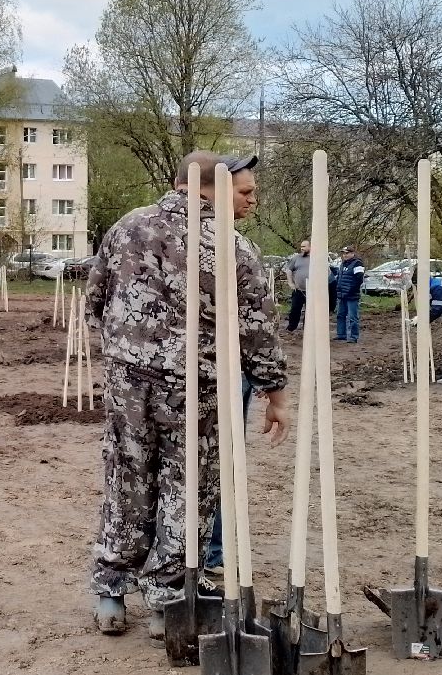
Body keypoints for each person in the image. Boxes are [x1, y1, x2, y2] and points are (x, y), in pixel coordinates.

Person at [85, 151, 289, 639]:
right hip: (195, 388)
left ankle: (111, 593)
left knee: (128, 478)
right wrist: (274, 392)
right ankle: (166, 601)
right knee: (189, 489)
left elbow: (95, 299)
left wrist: (127, 350)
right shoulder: (233, 246)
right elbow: (257, 328)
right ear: (210, 188)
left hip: (127, 380)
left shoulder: (125, 227)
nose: (252, 202)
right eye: (245, 192)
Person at [334, 245, 364, 343]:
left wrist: (351, 290)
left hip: (352, 295)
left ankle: (353, 336)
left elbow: (359, 279)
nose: (345, 255)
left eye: (347, 253)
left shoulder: (358, 264)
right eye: (343, 253)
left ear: (352, 253)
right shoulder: (343, 264)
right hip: (342, 294)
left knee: (352, 317)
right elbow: (339, 278)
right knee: (340, 315)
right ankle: (341, 334)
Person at [284, 240, 311, 332]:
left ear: (310, 247)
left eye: (304, 246)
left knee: (310, 311)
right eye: (301, 247)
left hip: (312, 290)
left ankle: (308, 329)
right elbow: (289, 270)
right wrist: (290, 283)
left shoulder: (315, 258)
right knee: (295, 309)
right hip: (298, 289)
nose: (302, 248)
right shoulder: (296, 258)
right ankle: (291, 327)